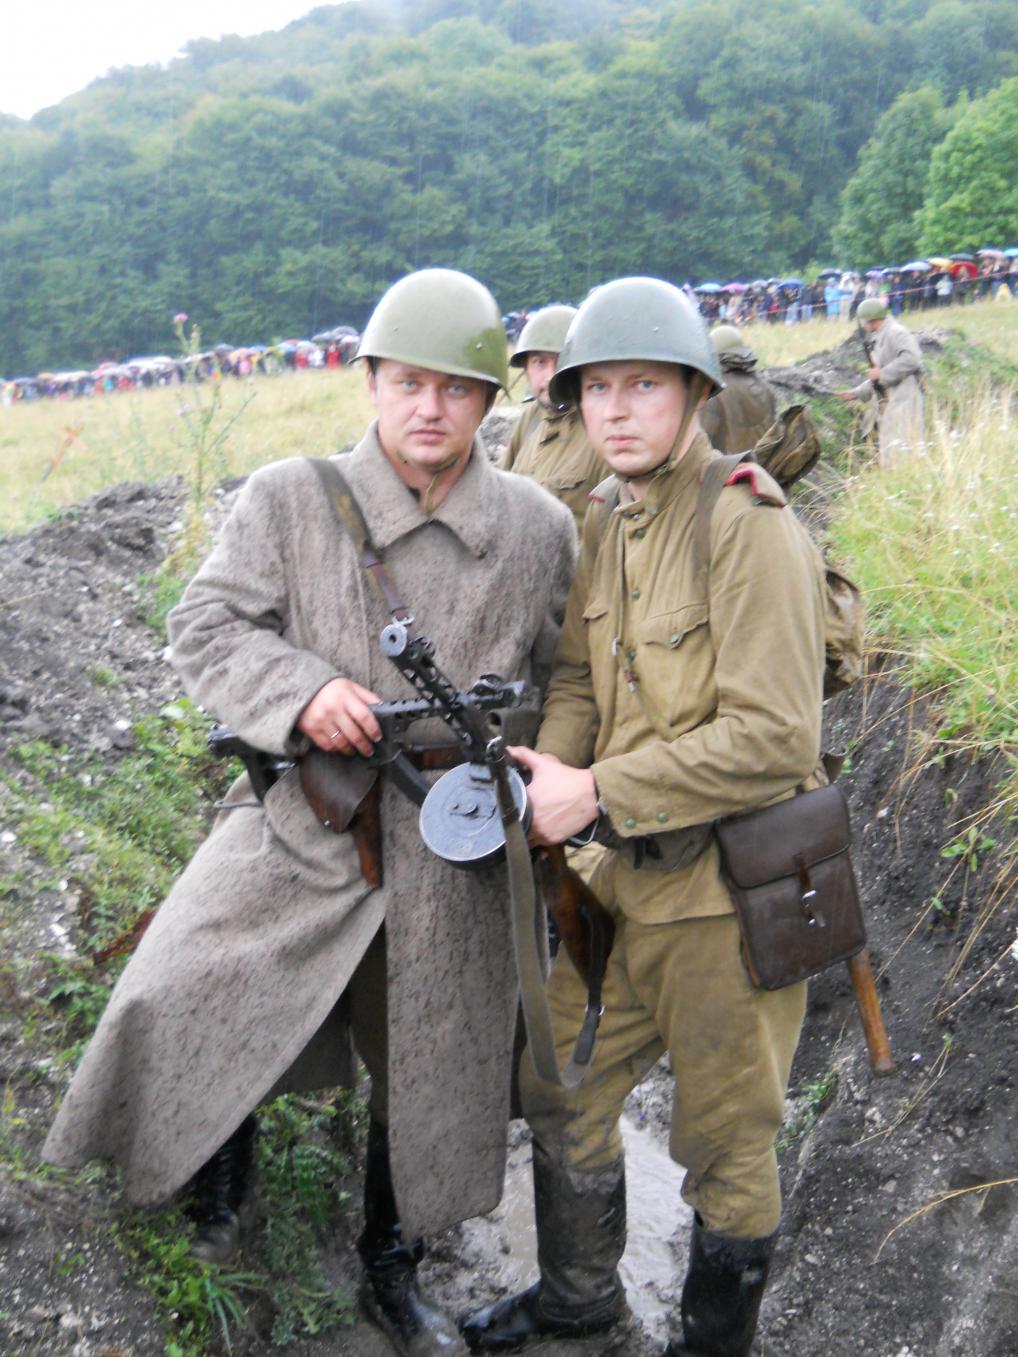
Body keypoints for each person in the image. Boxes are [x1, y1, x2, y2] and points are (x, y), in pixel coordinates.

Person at [42, 267, 577, 1357]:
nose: (429, 408)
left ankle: (392, 1257)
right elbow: (207, 624)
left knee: (430, 1058)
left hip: (457, 844)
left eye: (456, 388)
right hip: (315, 817)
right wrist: (300, 692)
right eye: (408, 382)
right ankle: (213, 1177)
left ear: (490, 400)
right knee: (189, 980)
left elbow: (571, 671)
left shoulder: (537, 527)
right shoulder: (290, 498)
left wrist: (549, 771)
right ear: (369, 381)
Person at [462, 276, 827, 1357]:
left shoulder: (745, 521)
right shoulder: (609, 520)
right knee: (557, 1085)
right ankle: (581, 1301)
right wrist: (552, 770)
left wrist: (599, 791)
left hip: (728, 897)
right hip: (621, 880)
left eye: (644, 386)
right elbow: (581, 674)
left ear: (694, 394)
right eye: (597, 390)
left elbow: (775, 738)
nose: (616, 411)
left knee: (728, 1149)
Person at [500, 305, 607, 529]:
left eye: (560, 361)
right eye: (539, 362)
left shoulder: (604, 425)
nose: (550, 376)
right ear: (526, 369)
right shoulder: (531, 419)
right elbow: (496, 488)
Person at [837, 296, 924, 468]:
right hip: (892, 396)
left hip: (905, 395)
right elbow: (878, 377)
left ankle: (905, 476)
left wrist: (882, 374)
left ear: (869, 319)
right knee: (892, 444)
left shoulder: (896, 332)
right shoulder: (880, 335)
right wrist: (856, 392)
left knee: (904, 442)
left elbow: (912, 359)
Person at [699, 323, 777, 453]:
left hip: (729, 465)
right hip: (764, 464)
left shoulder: (715, 392)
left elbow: (702, 443)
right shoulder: (763, 385)